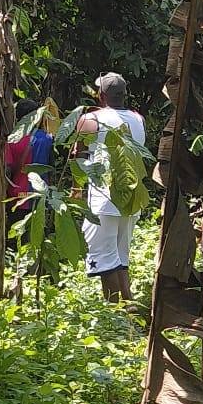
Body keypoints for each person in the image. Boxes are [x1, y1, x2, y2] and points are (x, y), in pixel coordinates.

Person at [75, 72, 147, 301]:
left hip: (104, 195)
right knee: (120, 256)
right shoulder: (138, 118)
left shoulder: (91, 120)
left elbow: (77, 157)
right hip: (131, 194)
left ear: (101, 95)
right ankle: (129, 304)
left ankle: (116, 310)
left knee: (105, 257)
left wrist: (76, 190)